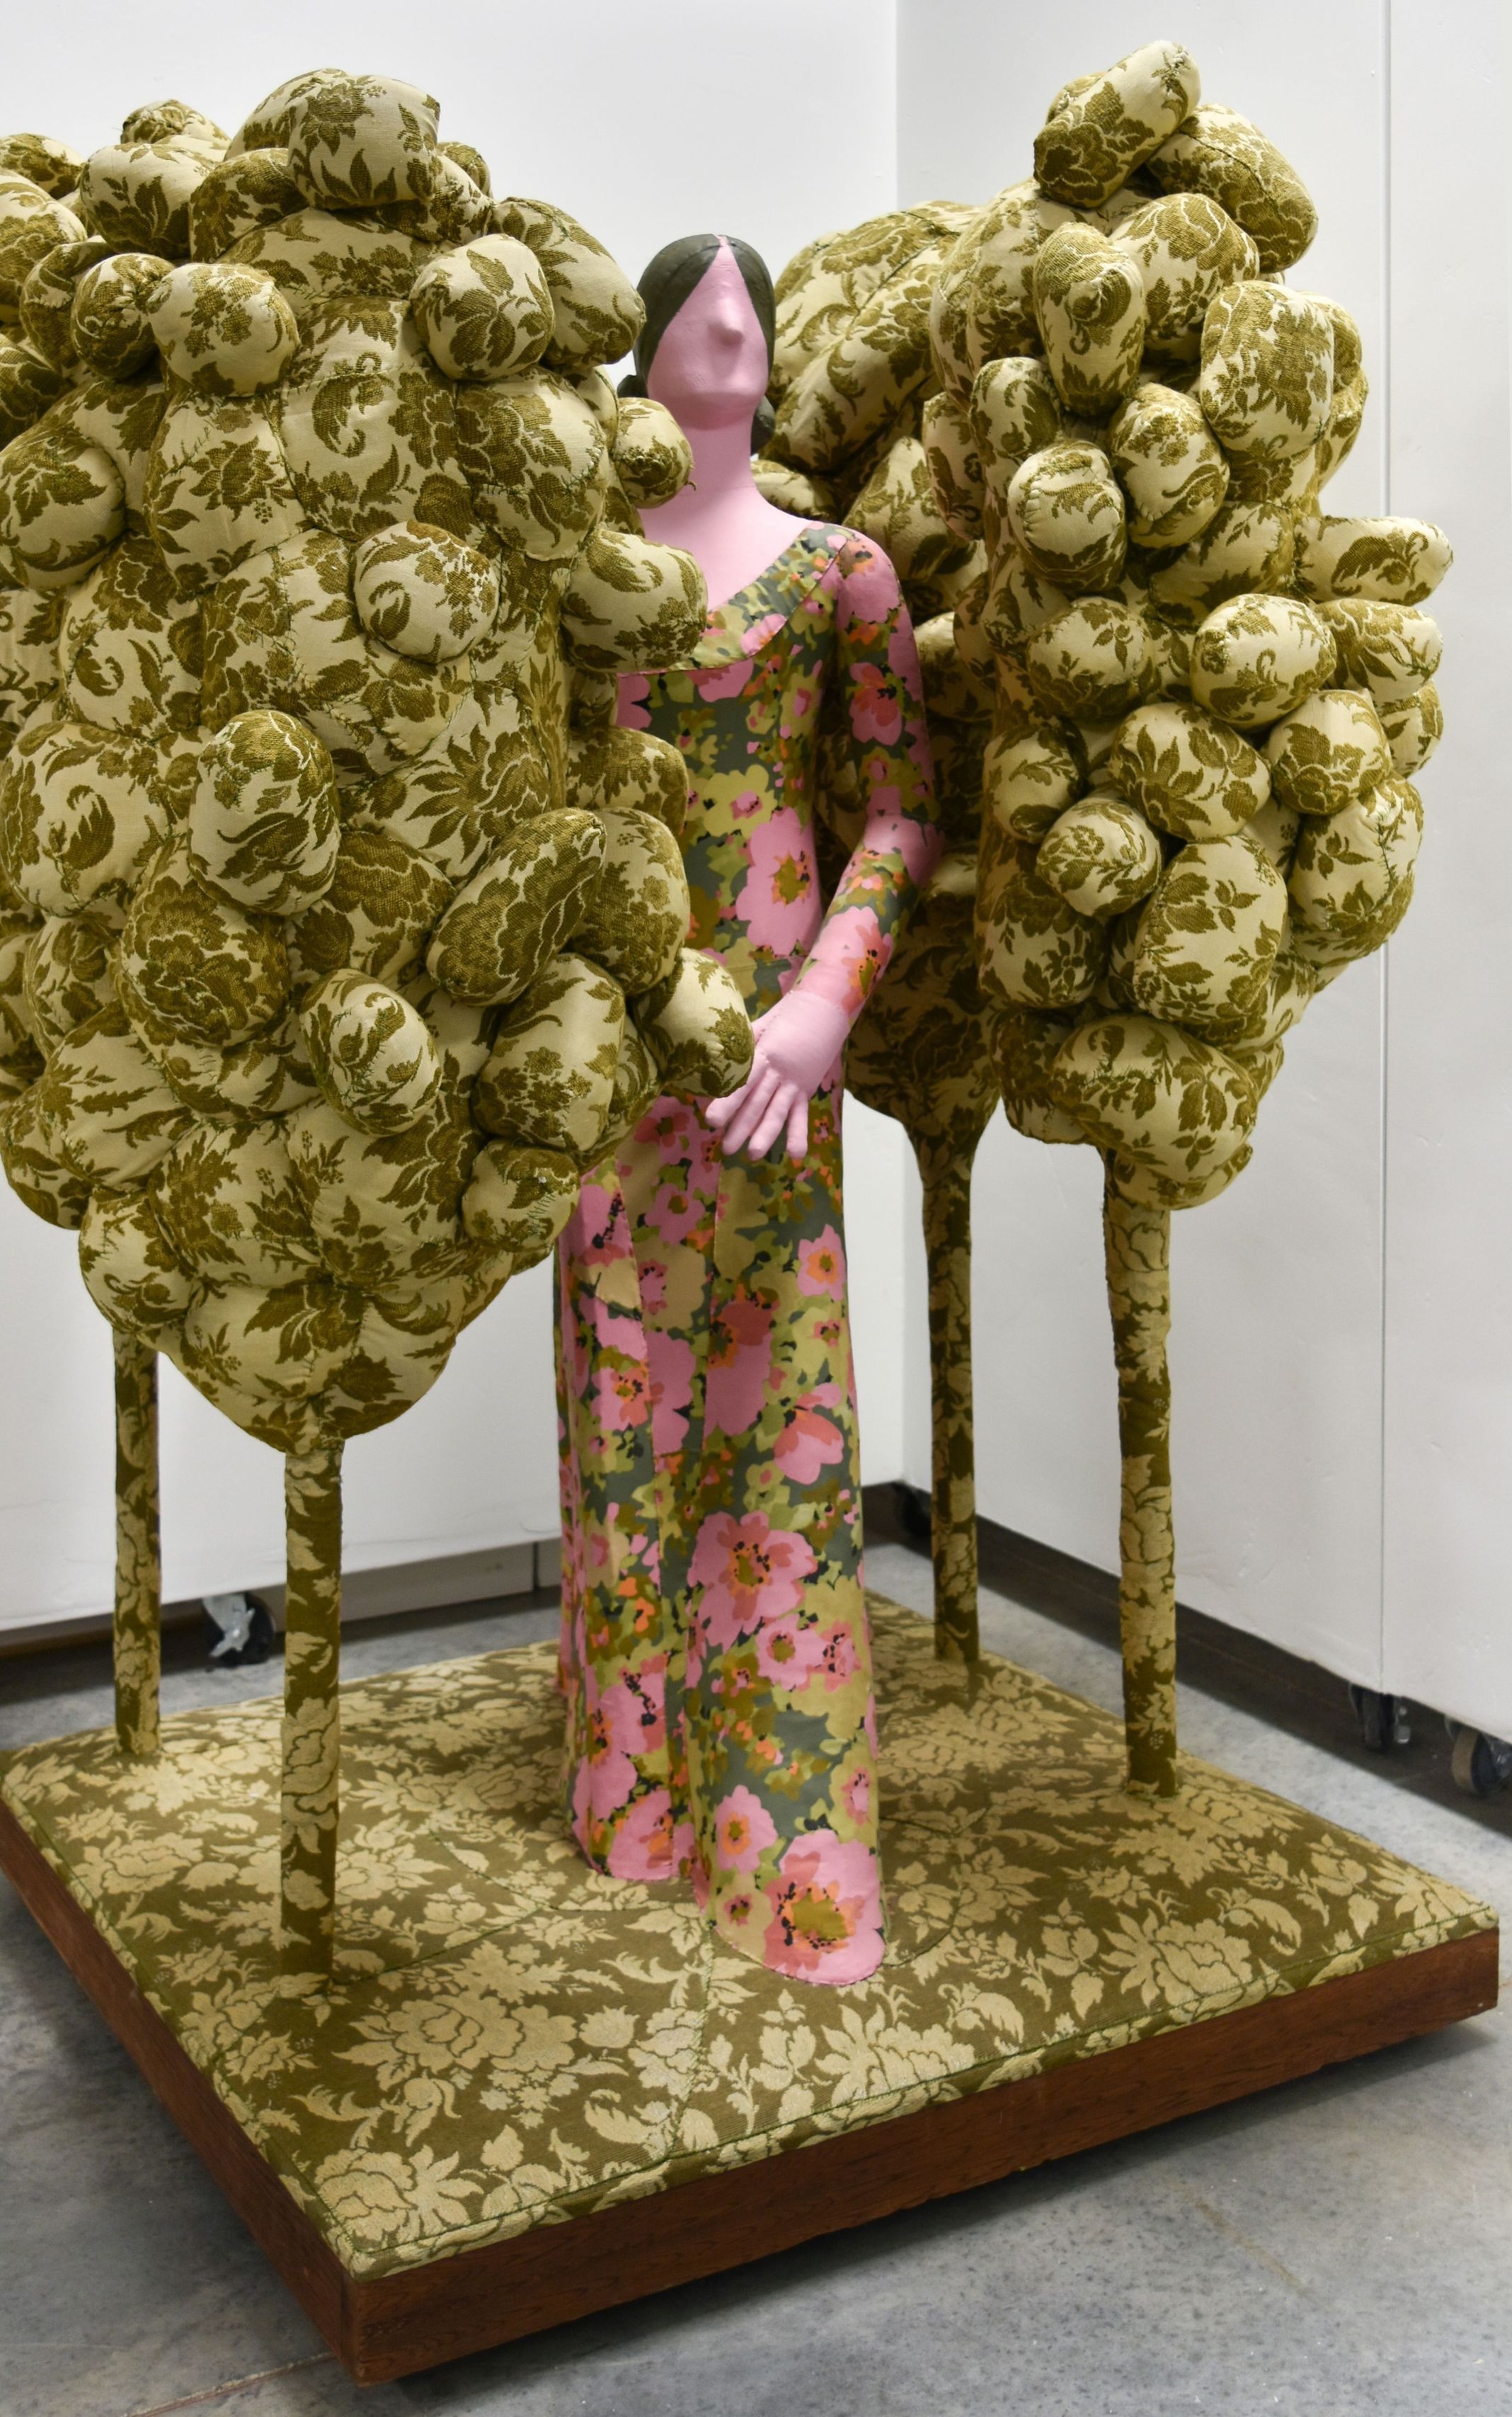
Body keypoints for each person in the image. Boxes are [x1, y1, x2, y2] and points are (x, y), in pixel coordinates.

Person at [554, 234, 941, 1984]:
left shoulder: (840, 571)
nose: (728, 319)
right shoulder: (579, 573)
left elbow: (901, 812)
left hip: (778, 1043)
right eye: (694, 302)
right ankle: (634, 1793)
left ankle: (788, 1834)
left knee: (780, 1398)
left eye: (748, 302)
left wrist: (824, 1007)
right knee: (619, 1391)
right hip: (611, 1030)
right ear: (641, 350)